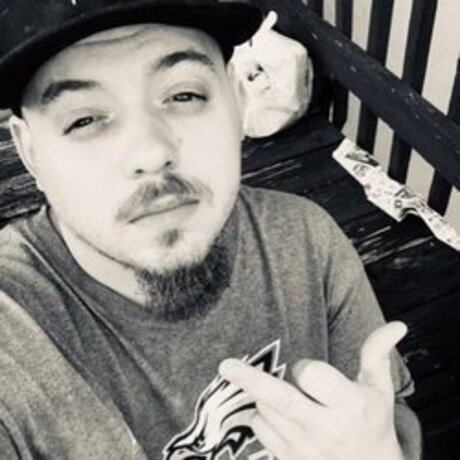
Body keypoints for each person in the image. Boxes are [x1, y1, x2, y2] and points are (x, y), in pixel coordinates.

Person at [0, 0, 421, 458]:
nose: (150, 153)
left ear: (238, 104)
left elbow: (387, 418)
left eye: (185, 95)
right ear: (30, 154)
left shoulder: (305, 241)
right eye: (83, 119)